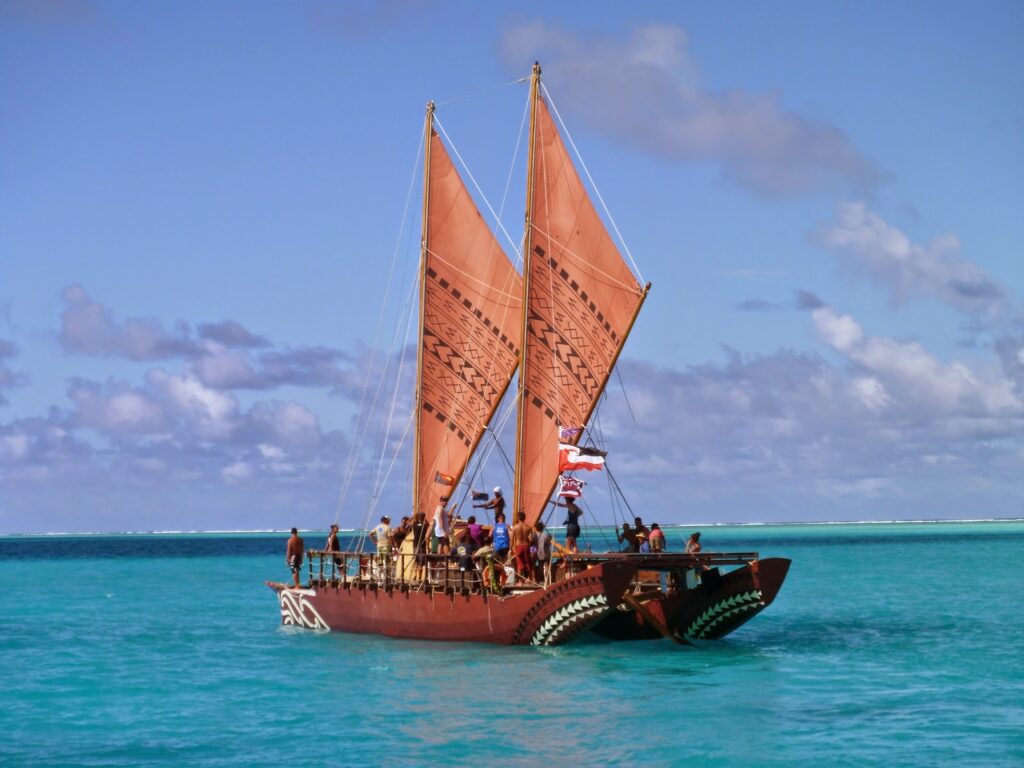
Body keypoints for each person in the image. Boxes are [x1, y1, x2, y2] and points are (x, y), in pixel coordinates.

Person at [510, 512, 534, 579]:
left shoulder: (515, 528)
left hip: (518, 546)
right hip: (526, 545)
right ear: (524, 518)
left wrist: (510, 549)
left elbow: (511, 540)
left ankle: (520, 581)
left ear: (518, 518)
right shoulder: (529, 528)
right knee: (527, 562)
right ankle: (530, 579)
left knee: (519, 563)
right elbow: (531, 540)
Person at [534, 521, 553, 587]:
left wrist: (532, 552)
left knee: (540, 566)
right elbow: (550, 540)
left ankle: (541, 580)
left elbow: (533, 544)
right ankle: (547, 580)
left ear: (536, 528)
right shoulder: (546, 535)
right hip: (546, 553)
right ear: (542, 528)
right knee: (547, 566)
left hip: (539, 553)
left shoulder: (535, 535)